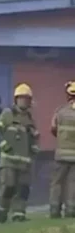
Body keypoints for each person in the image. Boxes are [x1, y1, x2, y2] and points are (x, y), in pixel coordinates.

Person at [0, 83, 39, 223]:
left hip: (24, 162)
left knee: (23, 188)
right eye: (21, 98)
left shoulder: (29, 119)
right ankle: (2, 213)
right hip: (9, 160)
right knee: (9, 186)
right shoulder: (8, 114)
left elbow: (34, 137)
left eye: (26, 98)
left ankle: (19, 215)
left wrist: (35, 147)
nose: (24, 101)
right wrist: (3, 144)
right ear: (16, 99)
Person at [49, 81, 75, 218]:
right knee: (73, 183)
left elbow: (53, 129)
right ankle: (71, 211)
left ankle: (54, 211)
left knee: (57, 183)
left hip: (61, 155)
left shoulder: (59, 111)